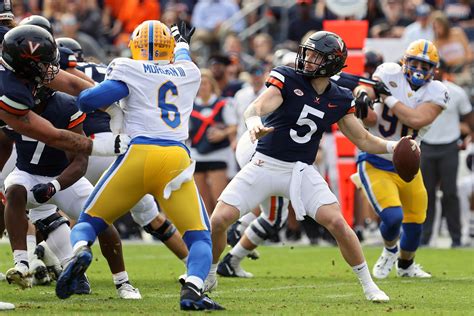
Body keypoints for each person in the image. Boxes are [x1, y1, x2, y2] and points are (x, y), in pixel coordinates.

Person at [205, 31, 410, 302]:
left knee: (337, 222)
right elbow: (258, 106)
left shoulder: (339, 97)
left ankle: (369, 285)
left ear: (332, 62)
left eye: (315, 56)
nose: (307, 59)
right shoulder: (288, 79)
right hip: (264, 163)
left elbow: (362, 138)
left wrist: (393, 147)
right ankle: (209, 273)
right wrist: (254, 121)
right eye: (308, 52)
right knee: (218, 220)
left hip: (300, 170)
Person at [55, 20, 223, 311]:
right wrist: (182, 42)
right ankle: (194, 288)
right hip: (175, 160)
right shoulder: (189, 71)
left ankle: (81, 251)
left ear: (134, 46)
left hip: (137, 155)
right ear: (169, 48)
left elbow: (88, 101)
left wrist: (109, 104)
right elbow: (182, 57)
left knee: (89, 221)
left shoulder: (128, 68)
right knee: (199, 236)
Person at [353, 39, 448, 279]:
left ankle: (406, 266)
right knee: (393, 217)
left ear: (434, 70)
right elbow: (367, 91)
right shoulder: (388, 72)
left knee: (416, 223)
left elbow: (416, 120)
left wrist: (388, 98)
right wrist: (363, 98)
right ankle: (389, 250)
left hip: (407, 166)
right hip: (376, 159)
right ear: (405, 61)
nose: (419, 69)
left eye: (425, 65)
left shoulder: (437, 91)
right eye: (415, 62)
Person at [0, 25, 129, 157]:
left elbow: (72, 84)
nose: (50, 68)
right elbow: (51, 136)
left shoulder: (19, 69)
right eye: (45, 64)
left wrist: (112, 109)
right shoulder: (9, 91)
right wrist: (99, 147)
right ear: (27, 67)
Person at [420, 59, 474, 247]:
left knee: (450, 192)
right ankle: (424, 238)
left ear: (441, 70)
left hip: (449, 146)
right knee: (426, 194)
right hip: (426, 145)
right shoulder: (420, 90)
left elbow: (469, 117)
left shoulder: (456, 92)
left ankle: (456, 238)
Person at [189, 69, 237, 215]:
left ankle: (222, 230)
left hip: (218, 153)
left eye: (205, 83)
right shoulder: (191, 105)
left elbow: (234, 126)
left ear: (211, 85)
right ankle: (207, 231)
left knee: (219, 197)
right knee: (201, 200)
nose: (202, 87)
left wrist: (222, 133)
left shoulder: (223, 103)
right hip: (198, 154)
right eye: (199, 84)